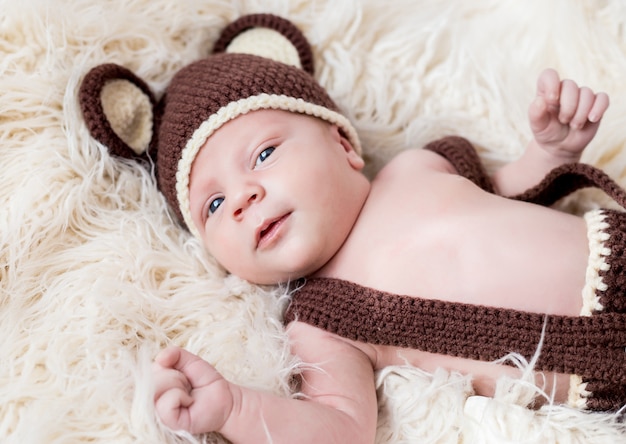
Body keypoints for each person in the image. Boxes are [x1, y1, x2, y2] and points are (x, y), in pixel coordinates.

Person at [78, 13, 626, 444]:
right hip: (604, 373)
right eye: (214, 205)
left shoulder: (417, 166)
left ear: (343, 145)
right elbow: (340, 428)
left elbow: (511, 188)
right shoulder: (321, 320)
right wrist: (233, 408)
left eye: (264, 153)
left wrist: (550, 148)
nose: (244, 198)